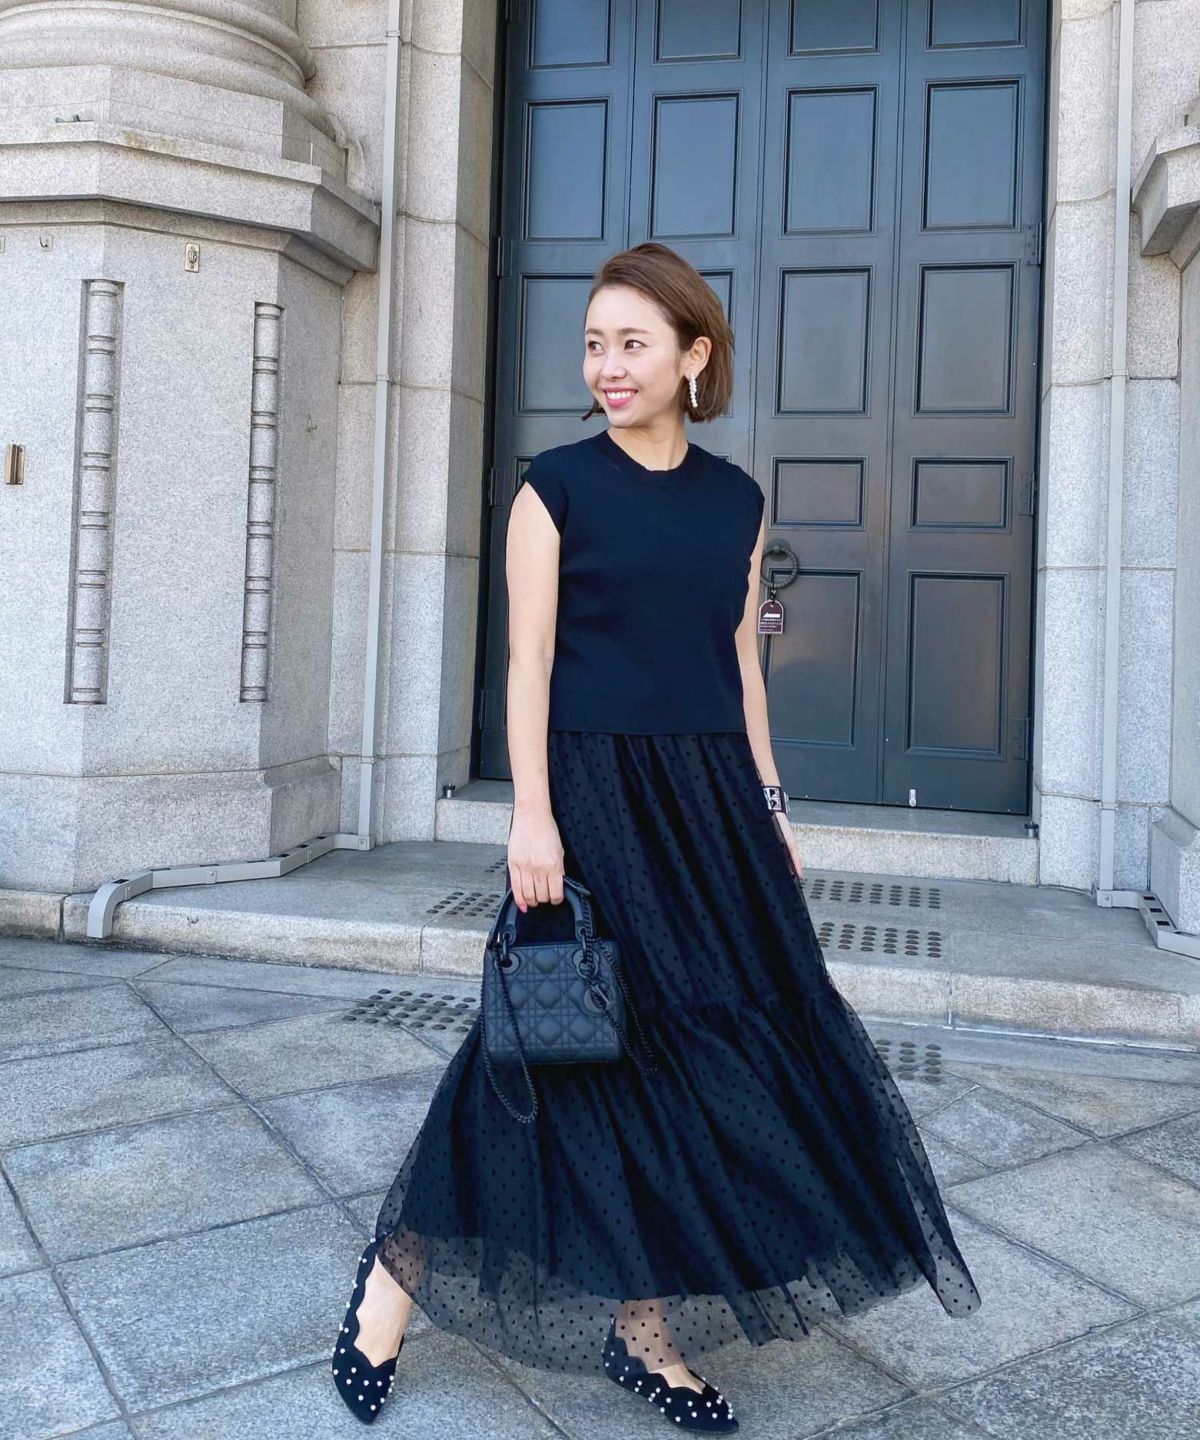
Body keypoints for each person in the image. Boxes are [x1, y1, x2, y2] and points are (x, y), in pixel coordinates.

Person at [330, 241, 982, 1429]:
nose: (608, 366)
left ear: (695, 355)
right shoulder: (555, 488)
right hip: (590, 797)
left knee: (703, 1052)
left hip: (711, 803)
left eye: (634, 343)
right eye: (595, 344)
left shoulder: (738, 502)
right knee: (550, 1048)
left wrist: (772, 807)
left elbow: (739, 664)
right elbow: (528, 663)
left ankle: (644, 1334)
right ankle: (391, 1283)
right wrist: (531, 815)